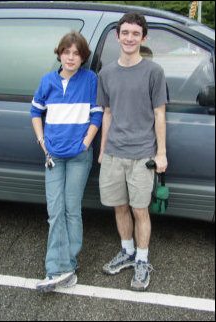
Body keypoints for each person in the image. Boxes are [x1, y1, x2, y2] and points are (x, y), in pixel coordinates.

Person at [97, 12, 168, 291]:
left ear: (143, 38)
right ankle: (127, 252)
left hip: (142, 155)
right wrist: (103, 150)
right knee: (119, 207)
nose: (129, 38)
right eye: (124, 33)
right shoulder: (106, 73)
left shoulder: (154, 72)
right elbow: (107, 114)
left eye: (135, 34)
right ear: (117, 37)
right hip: (114, 153)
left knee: (140, 210)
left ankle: (142, 259)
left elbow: (159, 114)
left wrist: (161, 153)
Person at [31, 32, 103, 292]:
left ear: (83, 57)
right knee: (55, 211)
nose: (71, 57)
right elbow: (35, 111)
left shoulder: (90, 79)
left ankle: (67, 264)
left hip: (79, 156)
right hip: (53, 156)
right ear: (59, 54)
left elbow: (97, 115)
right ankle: (56, 268)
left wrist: (85, 144)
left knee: (72, 209)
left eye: (76, 53)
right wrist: (42, 142)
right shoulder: (47, 81)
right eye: (66, 52)